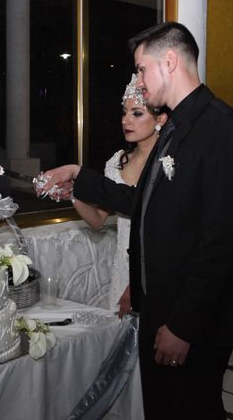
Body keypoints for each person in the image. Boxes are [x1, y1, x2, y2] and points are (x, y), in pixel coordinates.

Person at [38, 21, 233, 419]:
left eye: (141, 68)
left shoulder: (219, 128)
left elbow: (219, 240)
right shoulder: (173, 129)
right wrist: (79, 176)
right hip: (160, 308)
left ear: (168, 61)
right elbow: (146, 203)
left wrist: (182, 326)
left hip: (194, 322)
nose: (138, 78)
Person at [71, 73, 167, 316]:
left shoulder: (167, 165)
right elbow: (97, 220)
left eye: (136, 113)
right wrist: (73, 194)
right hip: (121, 268)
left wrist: (138, 283)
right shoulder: (116, 163)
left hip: (156, 269)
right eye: (124, 112)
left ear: (161, 119)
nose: (126, 120)